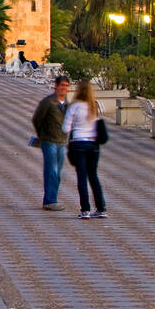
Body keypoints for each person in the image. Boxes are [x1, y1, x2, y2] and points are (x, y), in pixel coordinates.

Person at [62, 81, 108, 219]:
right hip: (93, 145)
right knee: (93, 176)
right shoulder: (96, 106)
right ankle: (101, 208)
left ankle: (85, 210)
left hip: (78, 144)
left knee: (81, 177)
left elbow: (65, 128)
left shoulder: (74, 107)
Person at [32, 75, 72, 211]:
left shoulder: (67, 104)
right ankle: (50, 200)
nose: (64, 88)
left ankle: (52, 198)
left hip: (61, 141)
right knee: (51, 170)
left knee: (58, 172)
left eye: (66, 86)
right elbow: (37, 119)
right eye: (62, 85)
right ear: (56, 86)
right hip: (49, 141)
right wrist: (42, 134)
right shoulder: (48, 102)